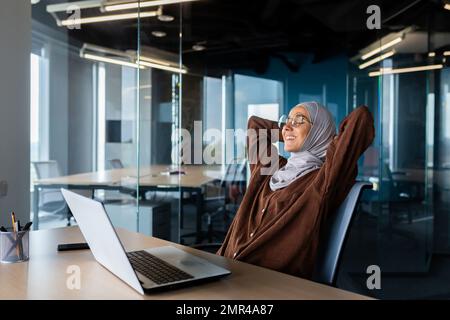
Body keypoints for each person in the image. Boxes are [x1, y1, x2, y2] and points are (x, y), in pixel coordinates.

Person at [217, 101, 375, 279]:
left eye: (300, 120)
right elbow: (256, 125)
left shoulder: (322, 180)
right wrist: (290, 131)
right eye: (287, 120)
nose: (288, 126)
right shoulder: (270, 169)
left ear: (319, 132)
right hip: (223, 267)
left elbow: (361, 118)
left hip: (262, 282)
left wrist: (328, 140)